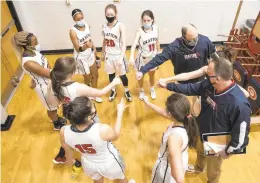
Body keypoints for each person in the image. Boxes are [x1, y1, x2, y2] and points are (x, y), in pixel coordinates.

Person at [158, 57, 251, 183]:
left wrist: (228, 151)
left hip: (217, 144)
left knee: (213, 170)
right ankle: (199, 167)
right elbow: (191, 88)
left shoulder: (239, 104)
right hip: (201, 130)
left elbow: (241, 136)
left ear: (217, 78)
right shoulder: (209, 84)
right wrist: (169, 86)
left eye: (209, 74)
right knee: (200, 152)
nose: (206, 75)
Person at [46, 56, 121, 164]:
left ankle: (61, 156)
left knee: (73, 134)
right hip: (85, 114)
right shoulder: (78, 87)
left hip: (71, 115)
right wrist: (113, 83)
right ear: (70, 74)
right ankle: (99, 148)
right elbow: (100, 93)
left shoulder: (55, 84)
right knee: (95, 132)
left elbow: (54, 102)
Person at [136, 24, 216, 115]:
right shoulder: (174, 47)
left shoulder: (205, 41)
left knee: (197, 103)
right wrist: (143, 70)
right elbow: (159, 58)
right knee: (180, 105)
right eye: (191, 39)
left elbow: (215, 56)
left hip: (200, 80)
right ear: (184, 38)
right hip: (182, 80)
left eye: (196, 37)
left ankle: (193, 116)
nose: (195, 41)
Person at [61, 97, 135, 183]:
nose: (95, 108)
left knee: (97, 180)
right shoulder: (102, 130)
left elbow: (68, 151)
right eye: (93, 107)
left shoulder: (64, 131)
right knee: (121, 177)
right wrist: (120, 113)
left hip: (88, 163)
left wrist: (70, 166)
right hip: (109, 162)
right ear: (89, 117)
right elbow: (116, 135)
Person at [12, 31, 66, 130]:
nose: (37, 44)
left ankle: (56, 118)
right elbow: (48, 74)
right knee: (51, 108)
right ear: (27, 45)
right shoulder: (28, 62)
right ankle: (56, 123)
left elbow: (45, 64)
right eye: (35, 42)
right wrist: (64, 69)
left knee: (55, 104)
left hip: (50, 82)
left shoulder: (34, 52)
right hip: (44, 88)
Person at [142, 93, 199, 183]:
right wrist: (148, 103)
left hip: (166, 170)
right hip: (179, 161)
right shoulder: (184, 120)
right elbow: (162, 112)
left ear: (171, 114)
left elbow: (179, 177)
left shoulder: (174, 138)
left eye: (166, 109)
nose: (165, 110)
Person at [70, 9, 102, 103]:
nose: (81, 20)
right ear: (74, 20)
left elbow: (89, 39)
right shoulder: (73, 31)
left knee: (95, 75)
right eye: (78, 19)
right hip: (81, 58)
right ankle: (88, 94)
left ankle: (95, 94)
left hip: (90, 55)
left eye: (82, 18)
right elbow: (77, 49)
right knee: (88, 78)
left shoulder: (87, 25)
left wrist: (94, 49)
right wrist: (85, 46)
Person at [102, 4, 132, 102]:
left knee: (123, 76)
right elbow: (104, 41)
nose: (109, 16)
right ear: (105, 14)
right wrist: (103, 53)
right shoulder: (104, 26)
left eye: (111, 14)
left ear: (115, 14)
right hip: (108, 55)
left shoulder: (120, 25)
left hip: (118, 55)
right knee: (111, 75)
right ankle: (113, 90)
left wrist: (120, 58)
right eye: (107, 14)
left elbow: (124, 44)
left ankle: (126, 90)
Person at [129, 10, 160, 100]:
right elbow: (134, 44)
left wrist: (158, 53)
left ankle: (152, 88)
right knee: (140, 76)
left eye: (148, 20)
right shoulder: (139, 31)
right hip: (142, 58)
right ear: (142, 21)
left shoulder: (156, 29)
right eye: (144, 21)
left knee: (152, 75)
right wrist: (131, 56)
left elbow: (157, 41)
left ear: (152, 20)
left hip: (152, 57)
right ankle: (142, 90)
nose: (146, 22)